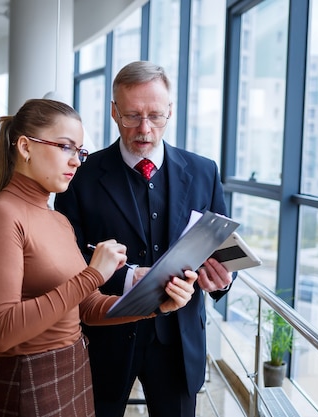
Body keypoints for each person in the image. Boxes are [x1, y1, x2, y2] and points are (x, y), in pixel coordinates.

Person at [0, 98, 198, 417]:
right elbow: (2, 331)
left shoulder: (58, 220)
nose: (76, 161)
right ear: (25, 147)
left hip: (75, 369)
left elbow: (88, 308)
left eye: (80, 151)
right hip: (29, 380)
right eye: (65, 147)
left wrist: (155, 303)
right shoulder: (1, 217)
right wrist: (93, 275)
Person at [54, 61, 234, 417]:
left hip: (179, 343)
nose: (145, 129)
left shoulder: (204, 171)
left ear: (170, 112)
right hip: (104, 339)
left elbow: (221, 245)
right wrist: (128, 278)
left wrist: (222, 281)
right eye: (132, 116)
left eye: (155, 115)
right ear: (113, 112)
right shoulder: (80, 175)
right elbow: (69, 255)